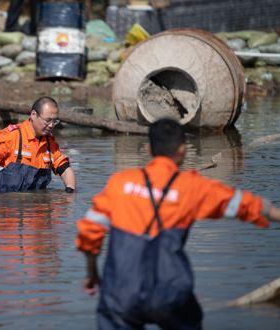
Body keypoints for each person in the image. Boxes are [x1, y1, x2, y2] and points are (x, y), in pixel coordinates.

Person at [75, 118, 280, 329]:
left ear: (148, 149)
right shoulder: (192, 187)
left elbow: (89, 230)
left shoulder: (120, 182)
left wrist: (92, 274)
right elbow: (248, 205)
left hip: (121, 292)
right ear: (182, 150)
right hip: (170, 292)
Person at [0, 96, 76, 195]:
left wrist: (70, 190)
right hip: (4, 204)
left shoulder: (50, 143)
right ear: (33, 115)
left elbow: (65, 169)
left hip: (36, 205)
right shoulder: (13, 136)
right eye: (48, 120)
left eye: (55, 121)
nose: (51, 125)